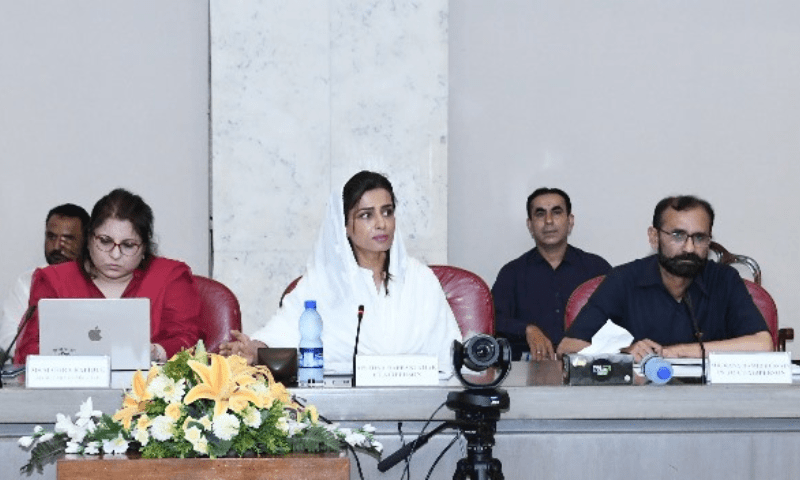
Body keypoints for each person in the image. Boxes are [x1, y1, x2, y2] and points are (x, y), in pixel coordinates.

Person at [220, 171, 462, 373]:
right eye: (366, 215)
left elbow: (452, 355)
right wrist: (253, 350)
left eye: (387, 212)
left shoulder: (420, 280)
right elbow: (279, 334)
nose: (381, 223)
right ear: (345, 226)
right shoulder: (322, 283)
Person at [557, 195, 772, 361]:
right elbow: (568, 346)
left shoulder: (724, 279)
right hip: (638, 406)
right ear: (654, 237)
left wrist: (680, 351)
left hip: (712, 404)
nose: (690, 248)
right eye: (678, 235)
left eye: (699, 237)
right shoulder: (624, 279)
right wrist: (622, 352)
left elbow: (763, 344)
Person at [14, 189, 203, 364]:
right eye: (105, 242)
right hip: (67, 395)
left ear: (144, 246)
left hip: (148, 395)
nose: (115, 255)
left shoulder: (170, 277)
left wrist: (155, 352)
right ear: (88, 239)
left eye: (128, 245)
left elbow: (189, 342)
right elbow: (29, 352)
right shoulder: (53, 280)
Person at [492, 188, 611, 361]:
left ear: (570, 221)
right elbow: (493, 319)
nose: (548, 221)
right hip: (528, 369)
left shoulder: (596, 269)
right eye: (540, 214)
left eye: (556, 212)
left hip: (587, 370)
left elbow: (620, 320)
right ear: (530, 225)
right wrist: (527, 329)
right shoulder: (512, 273)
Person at [1, 204, 90, 358]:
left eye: (68, 238)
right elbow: (8, 337)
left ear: (87, 241)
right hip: (37, 371)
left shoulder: (100, 280)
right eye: (51, 237)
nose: (57, 246)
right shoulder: (27, 281)